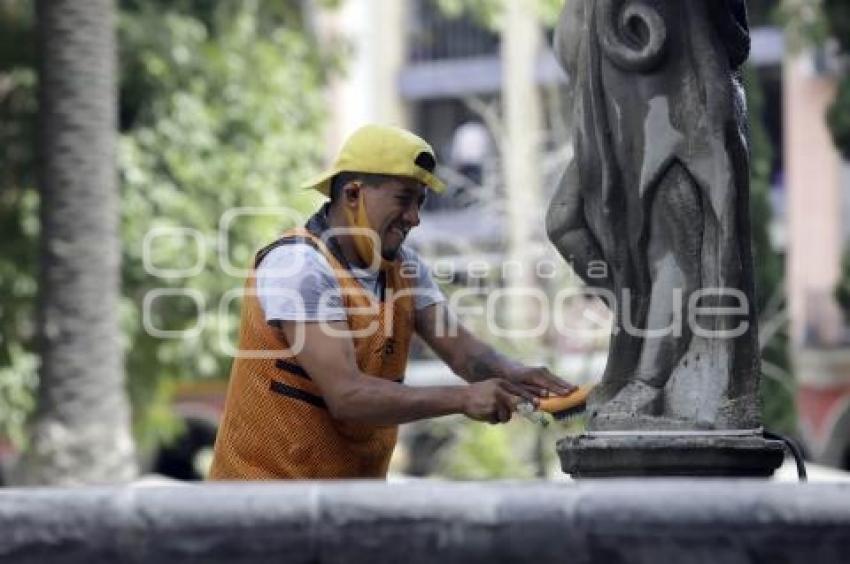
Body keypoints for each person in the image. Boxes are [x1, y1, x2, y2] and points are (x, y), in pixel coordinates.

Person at [209, 124, 575, 480]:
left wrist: (519, 376)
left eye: (420, 203)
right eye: (403, 200)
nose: (414, 218)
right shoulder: (299, 265)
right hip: (258, 511)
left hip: (346, 512)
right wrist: (463, 398)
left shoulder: (406, 269)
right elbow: (348, 396)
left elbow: (465, 354)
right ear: (353, 194)